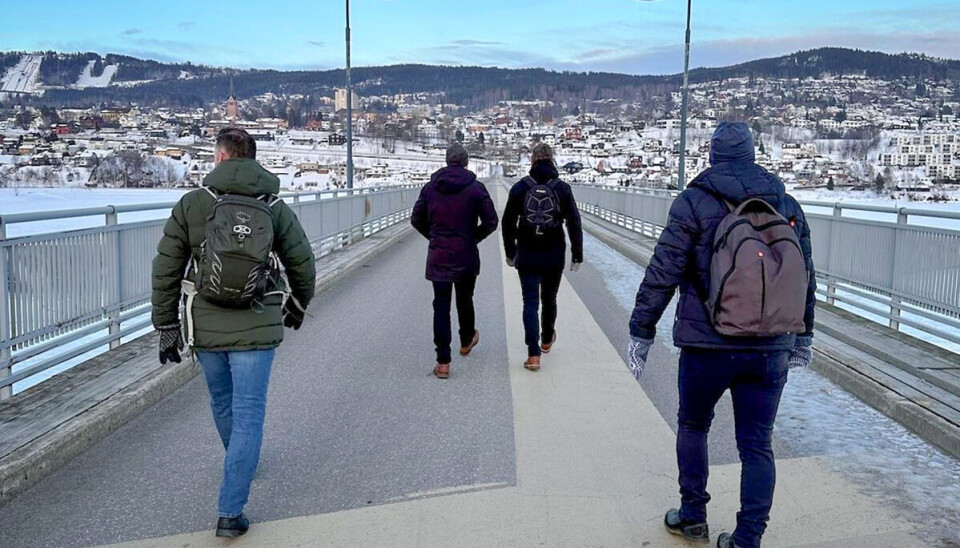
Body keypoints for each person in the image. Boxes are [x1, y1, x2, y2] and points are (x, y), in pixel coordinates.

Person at [627, 121, 816, 548]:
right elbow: (805, 273)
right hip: (770, 346)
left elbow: (664, 271)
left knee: (694, 425)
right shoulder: (786, 202)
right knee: (756, 443)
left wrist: (642, 329)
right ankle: (748, 538)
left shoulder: (693, 201)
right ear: (751, 154)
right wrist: (803, 335)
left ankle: (693, 516)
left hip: (707, 344)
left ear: (712, 155)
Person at [151, 128, 316, 538]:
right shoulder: (273, 205)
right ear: (253, 160)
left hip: (205, 327)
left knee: (223, 403)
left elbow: (166, 268)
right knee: (249, 413)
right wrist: (297, 303)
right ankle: (231, 508)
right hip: (257, 327)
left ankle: (237, 467)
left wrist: (166, 325)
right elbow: (303, 262)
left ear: (221, 159)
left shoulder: (193, 204)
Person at [411, 143, 498, 379]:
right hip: (466, 255)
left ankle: (443, 362)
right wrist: (471, 239)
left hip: (439, 254)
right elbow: (491, 222)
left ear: (447, 161)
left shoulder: (430, 188)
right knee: (464, 299)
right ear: (466, 162)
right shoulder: (476, 189)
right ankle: (466, 340)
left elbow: (415, 219)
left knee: (440, 305)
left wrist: (435, 237)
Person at [502, 143, 583, 371]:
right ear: (552, 160)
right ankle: (547, 339)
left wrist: (510, 252)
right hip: (554, 252)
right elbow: (574, 223)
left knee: (529, 301)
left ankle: (533, 354)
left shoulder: (520, 187)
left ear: (532, 160)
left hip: (527, 253)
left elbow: (507, 222)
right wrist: (577, 254)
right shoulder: (562, 188)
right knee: (550, 298)